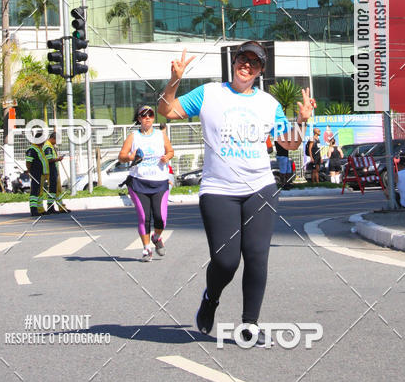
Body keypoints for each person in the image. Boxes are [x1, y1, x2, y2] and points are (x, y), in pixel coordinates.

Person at [158, 42, 315, 344]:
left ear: (260, 71)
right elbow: (166, 110)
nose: (247, 65)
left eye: (254, 62)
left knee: (256, 256)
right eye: (243, 58)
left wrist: (301, 121)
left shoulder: (269, 103)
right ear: (234, 62)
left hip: (260, 188)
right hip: (219, 189)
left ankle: (250, 324)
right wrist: (175, 79)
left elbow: (289, 143)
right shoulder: (209, 94)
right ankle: (211, 298)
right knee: (226, 261)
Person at [118, 104, 174, 261]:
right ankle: (146, 249)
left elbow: (170, 151)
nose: (147, 118)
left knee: (161, 217)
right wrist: (130, 157)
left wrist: (167, 157)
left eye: (150, 115)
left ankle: (156, 237)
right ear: (139, 119)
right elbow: (121, 156)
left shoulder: (161, 135)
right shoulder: (133, 137)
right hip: (138, 182)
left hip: (160, 182)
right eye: (144, 115)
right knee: (144, 217)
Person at [25, 130, 51, 216]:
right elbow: (28, 162)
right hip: (35, 173)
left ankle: (40, 209)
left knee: (39, 192)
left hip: (41, 173)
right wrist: (29, 171)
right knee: (34, 192)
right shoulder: (32, 149)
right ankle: (33, 210)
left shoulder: (39, 149)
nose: (44, 142)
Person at [42, 131, 67, 213]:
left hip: (53, 170)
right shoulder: (48, 147)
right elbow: (49, 160)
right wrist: (58, 159)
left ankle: (61, 207)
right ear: (53, 138)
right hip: (51, 170)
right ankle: (50, 207)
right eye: (56, 140)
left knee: (57, 189)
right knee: (53, 189)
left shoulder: (50, 146)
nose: (56, 142)